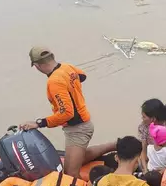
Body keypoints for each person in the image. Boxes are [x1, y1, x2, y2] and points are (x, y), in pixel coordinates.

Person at [20, 47, 115, 178]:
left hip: (78, 129)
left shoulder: (54, 82)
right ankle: (115, 144)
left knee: (70, 173)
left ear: (37, 65)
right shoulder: (66, 67)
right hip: (83, 122)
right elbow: (82, 76)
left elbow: (67, 114)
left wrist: (39, 123)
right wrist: (71, 86)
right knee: (79, 158)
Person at [138, 99, 166, 173]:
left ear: (153, 118)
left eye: (144, 117)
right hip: (151, 166)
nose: (142, 119)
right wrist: (145, 170)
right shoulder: (143, 127)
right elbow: (143, 151)